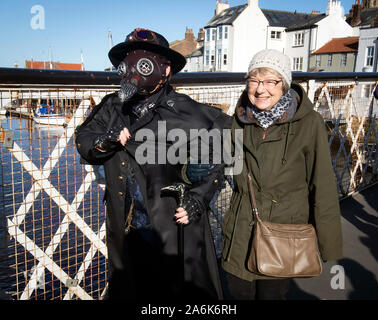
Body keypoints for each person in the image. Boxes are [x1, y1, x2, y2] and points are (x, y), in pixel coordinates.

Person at [75, 28, 232, 300]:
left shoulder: (187, 111)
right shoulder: (113, 107)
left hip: (173, 225)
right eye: (129, 61)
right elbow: (84, 140)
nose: (135, 69)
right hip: (127, 227)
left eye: (146, 62)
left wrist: (200, 194)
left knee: (176, 292)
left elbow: (223, 148)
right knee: (132, 288)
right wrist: (106, 139)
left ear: (166, 69)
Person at [221, 49, 343, 300]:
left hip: (283, 234)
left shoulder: (309, 124)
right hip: (241, 230)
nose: (260, 89)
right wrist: (191, 174)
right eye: (254, 80)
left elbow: (322, 186)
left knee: (272, 296)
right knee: (237, 293)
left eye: (270, 81)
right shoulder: (238, 121)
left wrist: (329, 248)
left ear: (285, 84)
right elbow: (220, 165)